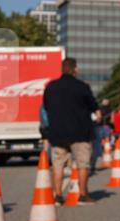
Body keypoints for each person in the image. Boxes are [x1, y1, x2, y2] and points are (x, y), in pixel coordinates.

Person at [42, 57, 99, 205]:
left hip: (58, 132)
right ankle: (83, 195)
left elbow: (46, 107)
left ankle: (58, 195)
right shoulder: (82, 87)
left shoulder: (51, 87)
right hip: (80, 132)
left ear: (61, 69)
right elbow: (93, 105)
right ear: (75, 69)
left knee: (58, 164)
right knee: (82, 164)